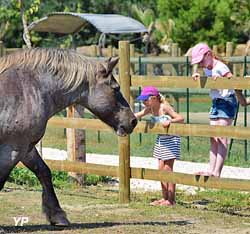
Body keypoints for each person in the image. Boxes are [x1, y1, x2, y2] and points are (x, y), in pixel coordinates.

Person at [191, 42, 249, 177]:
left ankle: (217, 172)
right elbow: (207, 76)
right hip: (215, 102)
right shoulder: (207, 67)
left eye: (201, 61)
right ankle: (211, 170)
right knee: (213, 137)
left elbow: (231, 79)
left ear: (209, 54)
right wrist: (198, 76)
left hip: (227, 101)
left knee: (222, 137)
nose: (200, 65)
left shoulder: (221, 66)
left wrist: (222, 80)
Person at [135, 86, 184, 206]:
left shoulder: (164, 107)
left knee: (168, 169)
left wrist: (170, 121)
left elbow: (180, 118)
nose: (143, 102)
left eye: (145, 100)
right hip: (161, 140)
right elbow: (137, 115)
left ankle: (171, 199)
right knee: (160, 169)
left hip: (171, 139)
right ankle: (164, 197)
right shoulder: (149, 109)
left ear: (154, 98)